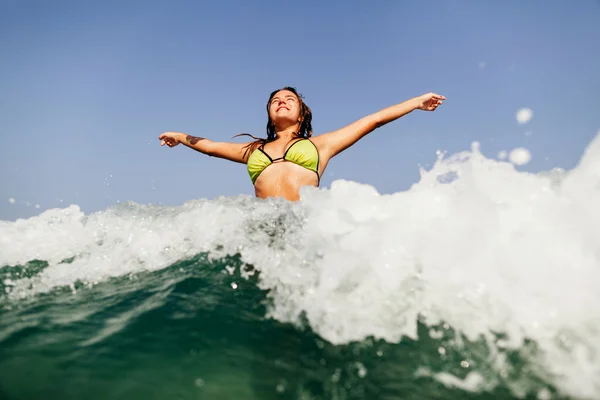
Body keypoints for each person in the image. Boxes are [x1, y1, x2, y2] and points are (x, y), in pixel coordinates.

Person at [159, 87, 445, 201]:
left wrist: (415, 103)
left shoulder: (321, 145)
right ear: (270, 114)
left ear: (302, 113)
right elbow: (209, 146)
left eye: (289, 99)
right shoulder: (253, 151)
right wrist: (180, 136)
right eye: (275, 101)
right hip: (263, 226)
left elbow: (374, 120)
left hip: (303, 224)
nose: (281, 101)